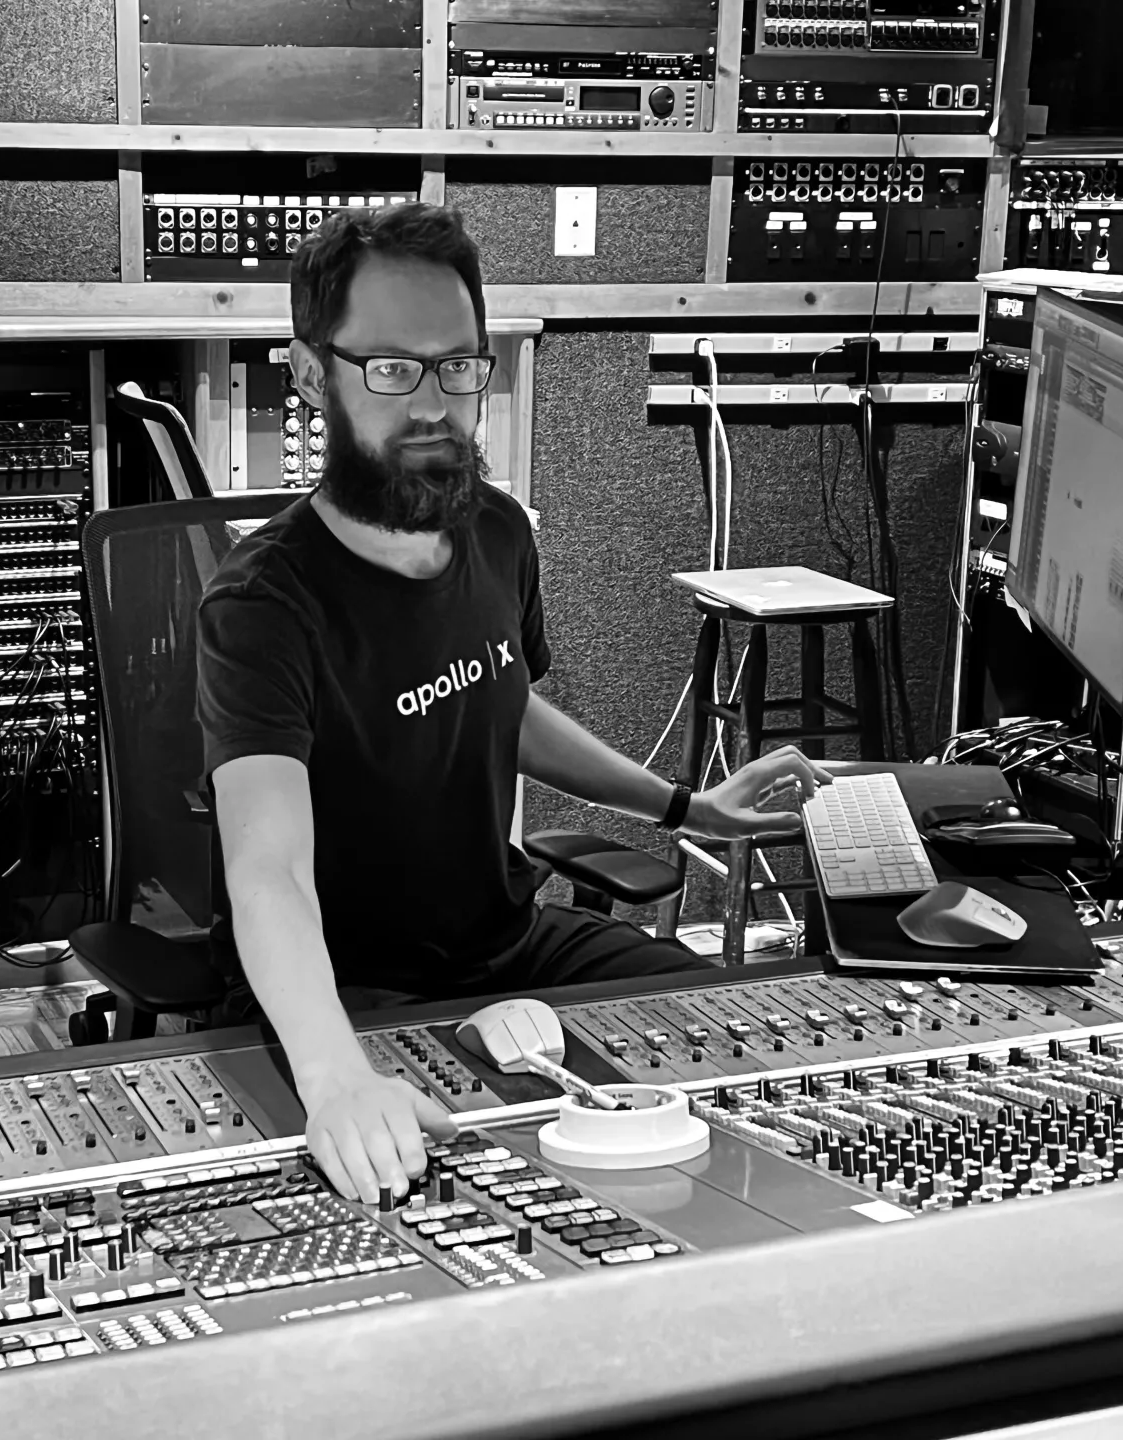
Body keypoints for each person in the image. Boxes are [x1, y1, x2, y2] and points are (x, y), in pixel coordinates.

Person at [196, 202, 829, 1205]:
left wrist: (686, 806)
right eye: (393, 370)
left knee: (721, 1030)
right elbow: (265, 865)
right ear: (312, 374)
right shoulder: (262, 603)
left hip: (502, 942)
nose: (436, 406)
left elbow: (501, 705)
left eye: (459, 367)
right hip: (351, 985)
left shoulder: (496, 530)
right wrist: (334, 1078)